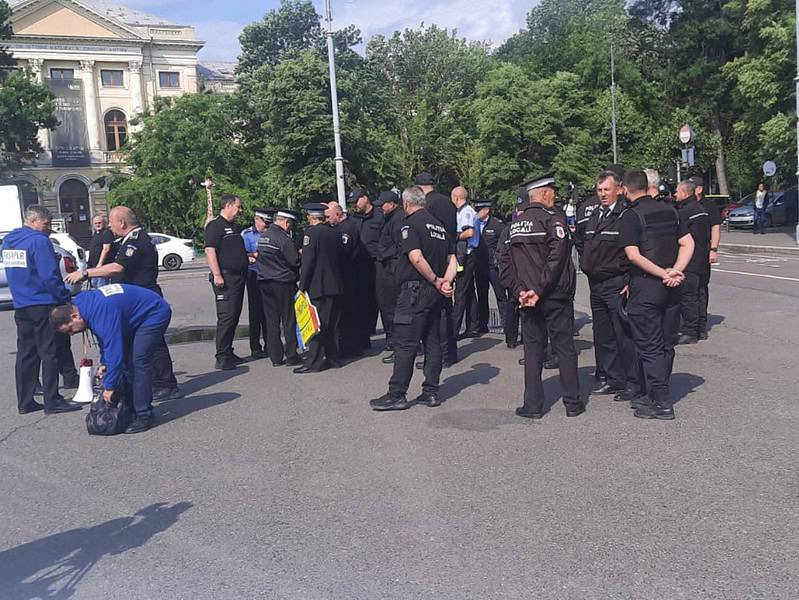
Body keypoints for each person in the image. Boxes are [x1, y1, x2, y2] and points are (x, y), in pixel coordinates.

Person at [65, 206, 179, 400]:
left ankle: (165, 384)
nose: (109, 225)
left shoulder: (136, 241)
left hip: (145, 297)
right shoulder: (126, 240)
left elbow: (117, 267)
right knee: (136, 346)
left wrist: (85, 273)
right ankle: (145, 382)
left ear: (122, 222)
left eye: (111, 221)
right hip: (134, 298)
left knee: (154, 345)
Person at [500, 175, 585, 419]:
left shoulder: (512, 227)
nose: (555, 196)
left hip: (527, 298)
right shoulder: (552, 220)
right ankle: (572, 403)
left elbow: (504, 264)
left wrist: (519, 292)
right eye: (552, 192)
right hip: (553, 295)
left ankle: (533, 405)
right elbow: (557, 258)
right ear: (544, 194)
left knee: (533, 350)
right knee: (565, 348)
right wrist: (539, 289)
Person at [370, 186, 457, 411]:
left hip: (415, 291)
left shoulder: (410, 224)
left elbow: (416, 258)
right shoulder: (439, 226)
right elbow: (453, 260)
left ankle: (397, 393)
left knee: (405, 344)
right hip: (436, 294)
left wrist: (435, 279)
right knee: (432, 343)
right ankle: (431, 392)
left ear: (406, 204)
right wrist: (445, 282)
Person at [618, 170, 695, 420]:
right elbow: (688, 243)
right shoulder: (671, 210)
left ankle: (660, 402)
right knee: (666, 344)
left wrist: (662, 273)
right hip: (673, 287)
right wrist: (676, 270)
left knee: (650, 347)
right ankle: (656, 393)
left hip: (647, 286)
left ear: (626, 190)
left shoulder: (630, 216)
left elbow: (633, 255)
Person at [51, 284, 172, 434]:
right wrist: (104, 363)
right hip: (133, 316)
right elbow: (105, 340)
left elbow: (115, 350)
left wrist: (109, 386)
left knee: (138, 362)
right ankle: (131, 408)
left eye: (70, 329)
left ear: (75, 316)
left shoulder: (99, 312)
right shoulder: (83, 307)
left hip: (154, 313)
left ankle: (145, 415)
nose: (71, 334)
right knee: (125, 365)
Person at [3, 206, 83, 415]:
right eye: (46, 224)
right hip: (42, 302)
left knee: (26, 353)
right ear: (35, 221)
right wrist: (64, 298)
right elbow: (50, 276)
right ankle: (52, 400)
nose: (48, 229)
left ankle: (26, 400)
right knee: (49, 352)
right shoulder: (39, 241)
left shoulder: (9, 241)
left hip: (21, 304)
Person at [580, 170, 642, 403]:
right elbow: (583, 243)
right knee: (603, 335)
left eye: (607, 189)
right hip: (596, 284)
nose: (603, 194)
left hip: (616, 283)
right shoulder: (595, 216)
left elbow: (633, 252)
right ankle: (612, 379)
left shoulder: (625, 215)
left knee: (623, 335)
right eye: (599, 190)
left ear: (618, 189)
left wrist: (628, 281)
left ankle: (632, 381)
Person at [295, 203, 344, 373]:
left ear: (311, 217)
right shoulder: (335, 233)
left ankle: (313, 362)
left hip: (318, 286)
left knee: (316, 325)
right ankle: (333, 358)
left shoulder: (311, 233)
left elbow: (308, 262)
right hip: (336, 285)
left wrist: (302, 286)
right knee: (333, 324)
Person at [415, 172, 458, 365]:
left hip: (432, 260)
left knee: (432, 312)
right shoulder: (447, 202)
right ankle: (450, 352)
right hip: (449, 257)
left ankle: (437, 356)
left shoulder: (427, 205)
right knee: (446, 307)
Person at [204, 195, 249, 370]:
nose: (240, 210)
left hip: (238, 277)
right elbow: (210, 250)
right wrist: (217, 274)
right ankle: (221, 357)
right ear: (228, 205)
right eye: (238, 206)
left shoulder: (234, 226)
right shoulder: (216, 226)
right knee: (226, 317)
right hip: (225, 278)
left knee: (234, 316)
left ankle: (228, 351)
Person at [257, 209, 302, 367]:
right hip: (282, 282)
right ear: (286, 222)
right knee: (288, 320)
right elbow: (294, 261)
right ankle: (291, 355)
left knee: (271, 321)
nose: (291, 228)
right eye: (291, 225)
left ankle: (275, 357)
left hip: (264, 282)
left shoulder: (264, 237)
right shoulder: (283, 239)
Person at [674, 180, 711, 344]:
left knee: (689, 296)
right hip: (703, 259)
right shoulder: (701, 209)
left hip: (691, 260)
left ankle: (690, 331)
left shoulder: (684, 212)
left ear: (684, 193)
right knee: (701, 295)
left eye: (677, 191)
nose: (675, 194)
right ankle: (701, 329)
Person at [325, 201, 364, 359]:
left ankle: (351, 347)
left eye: (329, 216)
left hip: (348, 275)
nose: (327, 219)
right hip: (345, 276)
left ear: (338, 214)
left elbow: (344, 252)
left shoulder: (346, 229)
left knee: (348, 313)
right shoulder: (340, 228)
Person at [347, 188, 383, 352]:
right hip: (359, 265)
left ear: (365, 198)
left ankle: (391, 339)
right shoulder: (354, 218)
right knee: (361, 302)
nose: (354, 205)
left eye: (356, 201)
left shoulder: (379, 216)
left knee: (382, 301)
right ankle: (364, 336)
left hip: (378, 263)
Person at [375, 190, 405, 360]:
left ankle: (399, 347)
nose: (380, 208)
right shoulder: (390, 218)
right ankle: (396, 343)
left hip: (392, 268)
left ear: (393, 204)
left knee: (393, 309)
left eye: (383, 204)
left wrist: (384, 255)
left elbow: (400, 245)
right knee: (388, 308)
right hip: (387, 267)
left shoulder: (398, 219)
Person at [692, 175, 721, 340]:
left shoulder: (708, 206)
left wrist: (713, 249)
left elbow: (715, 228)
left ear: (699, 189)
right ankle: (690, 323)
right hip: (686, 254)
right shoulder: (686, 205)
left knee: (701, 289)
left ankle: (701, 326)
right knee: (688, 291)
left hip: (702, 252)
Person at [242, 208, 272, 359]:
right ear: (257, 220)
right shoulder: (247, 235)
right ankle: (255, 347)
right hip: (253, 274)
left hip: (269, 275)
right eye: (264, 223)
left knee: (269, 312)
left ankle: (270, 344)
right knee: (255, 313)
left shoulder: (271, 232)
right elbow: (242, 253)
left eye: (268, 223)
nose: (266, 226)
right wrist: (254, 255)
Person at [451, 186, 481, 337]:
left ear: (456, 197)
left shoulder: (466, 211)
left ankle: (453, 330)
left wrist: (454, 237)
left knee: (460, 292)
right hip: (467, 254)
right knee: (469, 292)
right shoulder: (463, 211)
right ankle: (473, 326)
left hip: (466, 255)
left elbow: (469, 232)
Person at [473, 199, 507, 335]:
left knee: (501, 295)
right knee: (482, 296)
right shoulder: (473, 224)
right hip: (480, 266)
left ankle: (506, 324)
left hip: (494, 266)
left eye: (478, 210)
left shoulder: (497, 225)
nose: (476, 213)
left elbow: (504, 243)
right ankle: (482, 325)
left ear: (486, 210)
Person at [86, 214, 115, 288]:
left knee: (102, 290)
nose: (97, 225)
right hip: (93, 268)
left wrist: (100, 264)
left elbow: (106, 249)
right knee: (96, 289)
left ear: (104, 223)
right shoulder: (96, 234)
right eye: (95, 223)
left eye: (99, 223)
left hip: (102, 268)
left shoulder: (107, 233)